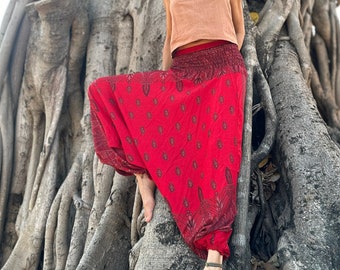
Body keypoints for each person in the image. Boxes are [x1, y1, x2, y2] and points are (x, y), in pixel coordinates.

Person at [88, 0, 246, 269]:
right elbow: (170, 40)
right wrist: (166, 89)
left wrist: (219, 64)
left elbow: (239, 30)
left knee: (219, 157)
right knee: (101, 90)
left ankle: (214, 253)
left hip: (223, 67)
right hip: (183, 71)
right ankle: (143, 176)